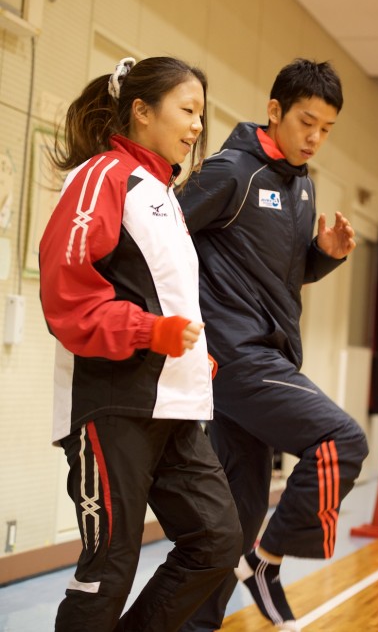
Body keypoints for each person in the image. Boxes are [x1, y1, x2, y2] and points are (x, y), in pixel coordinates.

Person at [39, 56, 243, 632]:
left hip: (173, 406)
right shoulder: (102, 177)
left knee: (216, 542)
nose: (198, 125)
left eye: (203, 113)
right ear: (141, 111)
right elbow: (68, 297)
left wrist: (191, 356)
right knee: (109, 571)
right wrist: (150, 333)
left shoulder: (162, 195)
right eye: (188, 110)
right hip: (112, 403)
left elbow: (160, 296)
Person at [177, 58, 369, 632]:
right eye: (306, 122)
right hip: (236, 357)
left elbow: (274, 277)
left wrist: (323, 258)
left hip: (270, 354)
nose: (315, 138)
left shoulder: (302, 185)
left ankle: (196, 622)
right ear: (274, 111)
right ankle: (266, 562)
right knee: (341, 439)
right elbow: (164, 237)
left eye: (327, 129)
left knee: (236, 514)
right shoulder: (232, 172)